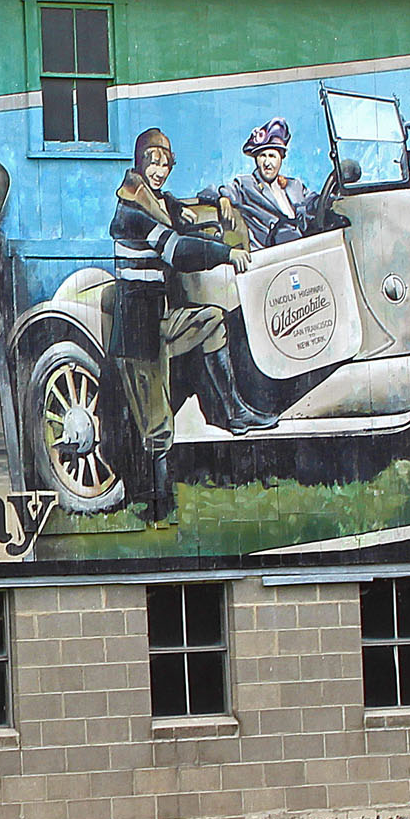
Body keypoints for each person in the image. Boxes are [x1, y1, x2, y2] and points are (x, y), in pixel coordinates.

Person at [111, 127, 274, 526]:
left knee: (211, 320)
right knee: (157, 427)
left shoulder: (159, 201)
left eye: (166, 164)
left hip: (163, 319)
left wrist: (218, 200)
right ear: (140, 162)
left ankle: (234, 411)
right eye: (154, 162)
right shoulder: (131, 211)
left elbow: (187, 209)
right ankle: (158, 507)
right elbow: (178, 251)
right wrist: (225, 252)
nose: (161, 171)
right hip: (138, 333)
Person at [223, 118, 326, 249]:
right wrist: (224, 199)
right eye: (262, 156)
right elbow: (216, 191)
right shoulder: (246, 184)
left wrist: (332, 200)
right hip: (269, 256)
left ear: (281, 158)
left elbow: (315, 201)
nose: (267, 163)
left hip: (303, 249)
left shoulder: (295, 186)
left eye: (272, 156)